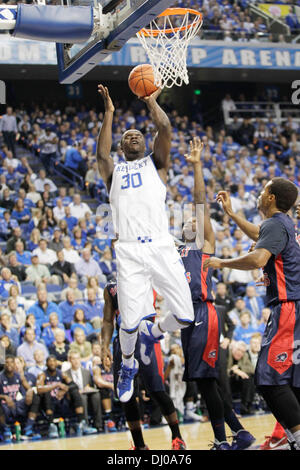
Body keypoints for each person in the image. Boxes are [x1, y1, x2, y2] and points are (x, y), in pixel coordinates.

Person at [97, 84, 194, 403]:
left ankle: (155, 332)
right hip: (128, 250)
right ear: (122, 147)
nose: (133, 135)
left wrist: (152, 102)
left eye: (137, 133)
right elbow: (101, 154)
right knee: (129, 321)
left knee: (184, 317)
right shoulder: (114, 172)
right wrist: (110, 114)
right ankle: (127, 366)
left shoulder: (158, 164)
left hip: (161, 245)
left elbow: (164, 127)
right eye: (127, 136)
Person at [204, 177, 300, 449]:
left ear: (270, 198)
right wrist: (233, 214)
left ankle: (295, 437)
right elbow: (260, 235)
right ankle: (292, 437)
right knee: (289, 380)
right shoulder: (282, 224)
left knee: (268, 379)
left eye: (262, 191)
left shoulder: (275, 224)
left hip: (288, 308)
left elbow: (258, 258)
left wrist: (222, 261)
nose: (258, 195)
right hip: (292, 306)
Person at [176, 137, 254, 450]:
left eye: (197, 219)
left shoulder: (205, 246)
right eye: (188, 220)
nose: (193, 220)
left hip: (204, 313)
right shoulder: (173, 251)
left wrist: (196, 166)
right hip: (185, 318)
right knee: (207, 381)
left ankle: (223, 441)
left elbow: (199, 201)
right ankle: (238, 434)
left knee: (208, 380)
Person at [101, 279, 187, 450]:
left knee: (157, 390)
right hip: (123, 342)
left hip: (146, 338)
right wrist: (104, 347)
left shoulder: (148, 277)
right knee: (128, 397)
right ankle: (140, 445)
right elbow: (107, 320)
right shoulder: (111, 287)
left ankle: (177, 437)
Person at [37, 355, 95, 438]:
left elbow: (74, 385)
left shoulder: (62, 374)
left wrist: (64, 390)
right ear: (46, 364)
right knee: (46, 393)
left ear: (56, 363)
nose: (52, 363)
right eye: (50, 361)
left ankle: (81, 423)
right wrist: (55, 385)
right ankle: (51, 425)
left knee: (75, 391)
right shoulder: (43, 375)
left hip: (62, 401)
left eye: (54, 361)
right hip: (49, 403)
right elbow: (38, 389)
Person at [0, 355, 41, 442]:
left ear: (15, 364)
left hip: (16, 404)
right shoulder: (0, 377)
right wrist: (4, 397)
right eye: (6, 362)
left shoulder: (19, 376)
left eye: (11, 362)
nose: (9, 364)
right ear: (4, 364)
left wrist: (29, 392)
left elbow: (29, 388)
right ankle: (6, 430)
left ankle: (28, 429)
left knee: (35, 397)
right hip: (4, 407)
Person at [64, 351, 101, 432]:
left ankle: (99, 424)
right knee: (82, 397)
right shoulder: (65, 374)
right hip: (73, 398)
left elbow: (90, 385)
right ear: (69, 360)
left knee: (96, 395)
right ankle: (85, 425)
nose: (76, 361)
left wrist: (88, 388)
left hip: (87, 395)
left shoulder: (86, 372)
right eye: (73, 359)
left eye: (78, 358)